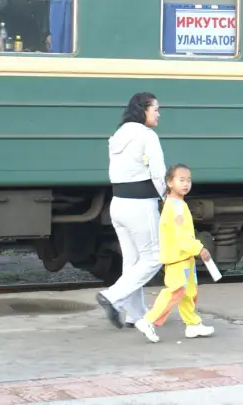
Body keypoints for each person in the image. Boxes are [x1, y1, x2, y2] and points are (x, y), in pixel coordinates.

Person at [95, 92, 167, 330]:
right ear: (143, 109)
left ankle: (136, 315)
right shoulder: (147, 135)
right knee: (155, 256)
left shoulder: (118, 135)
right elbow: (158, 172)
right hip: (140, 205)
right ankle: (112, 296)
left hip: (118, 204)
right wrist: (169, 198)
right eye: (155, 109)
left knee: (133, 261)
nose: (158, 114)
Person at [134, 163, 215, 343]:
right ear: (170, 182)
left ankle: (193, 324)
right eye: (181, 180)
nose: (186, 184)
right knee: (176, 290)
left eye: (188, 180)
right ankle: (148, 321)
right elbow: (181, 235)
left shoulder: (177, 204)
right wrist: (199, 248)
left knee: (189, 292)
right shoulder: (176, 207)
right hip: (178, 258)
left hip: (184, 258)